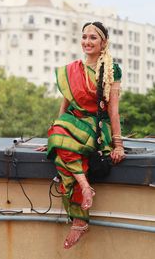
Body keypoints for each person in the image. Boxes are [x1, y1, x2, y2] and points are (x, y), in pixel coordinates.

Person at [38, 21, 125, 249]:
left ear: (103, 42)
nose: (87, 41)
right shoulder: (71, 70)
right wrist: (54, 138)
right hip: (72, 121)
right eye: (84, 37)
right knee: (58, 138)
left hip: (96, 126)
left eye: (93, 38)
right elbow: (65, 104)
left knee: (64, 152)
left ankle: (80, 216)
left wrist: (118, 145)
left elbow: (113, 110)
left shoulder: (111, 70)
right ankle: (84, 187)